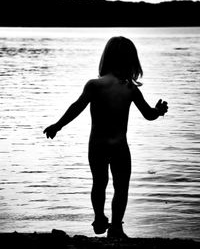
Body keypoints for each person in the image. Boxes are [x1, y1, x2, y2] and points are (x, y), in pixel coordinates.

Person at [43, 36, 168, 239]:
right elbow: (148, 115)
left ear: (106, 59)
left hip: (98, 146)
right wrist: (159, 110)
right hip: (120, 146)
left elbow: (76, 107)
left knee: (99, 183)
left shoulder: (95, 85)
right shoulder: (130, 88)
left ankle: (100, 217)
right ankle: (116, 227)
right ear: (131, 61)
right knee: (121, 187)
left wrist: (58, 125)